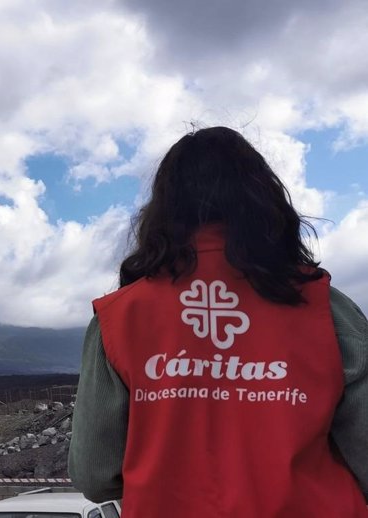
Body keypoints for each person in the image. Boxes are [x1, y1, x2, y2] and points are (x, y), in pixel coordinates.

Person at [68, 126, 368, 517]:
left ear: (162, 209)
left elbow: (94, 474)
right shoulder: (328, 309)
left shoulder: (119, 318)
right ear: (265, 199)